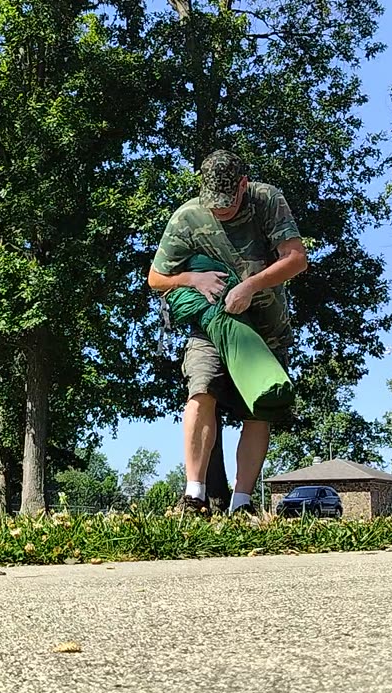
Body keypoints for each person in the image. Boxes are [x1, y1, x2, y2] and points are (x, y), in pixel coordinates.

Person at [147, 150, 309, 515]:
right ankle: (194, 496)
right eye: (213, 203)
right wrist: (191, 278)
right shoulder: (187, 218)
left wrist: (250, 286)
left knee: (259, 410)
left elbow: (296, 257)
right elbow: (156, 278)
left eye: (228, 201)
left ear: (243, 185)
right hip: (209, 327)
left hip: (265, 328)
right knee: (201, 389)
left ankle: (242, 502)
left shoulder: (268, 201)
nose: (220, 210)